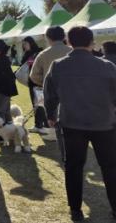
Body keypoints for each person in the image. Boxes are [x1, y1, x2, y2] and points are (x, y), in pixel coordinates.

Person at [44, 26, 116, 222]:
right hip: (104, 123)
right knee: (110, 167)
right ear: (91, 42)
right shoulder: (107, 66)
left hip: (72, 123)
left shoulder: (58, 66)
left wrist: (51, 114)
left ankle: (75, 210)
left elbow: (49, 93)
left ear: (69, 42)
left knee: (74, 167)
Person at [30, 26, 71, 132]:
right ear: (64, 37)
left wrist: (45, 83)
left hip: (51, 93)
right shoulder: (72, 51)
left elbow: (33, 75)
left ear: (48, 38)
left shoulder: (43, 54)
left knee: (53, 121)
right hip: (73, 92)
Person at [20, 36, 46, 134]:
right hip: (31, 82)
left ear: (31, 43)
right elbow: (22, 65)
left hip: (38, 82)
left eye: (25, 44)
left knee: (39, 103)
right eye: (23, 44)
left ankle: (40, 125)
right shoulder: (27, 54)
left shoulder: (38, 52)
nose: (24, 46)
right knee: (37, 103)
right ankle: (41, 124)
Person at [0, 39, 18, 124]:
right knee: (6, 111)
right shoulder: (4, 59)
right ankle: (10, 127)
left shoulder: (0, 61)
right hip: (6, 90)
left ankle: (1, 129)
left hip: (1, 90)